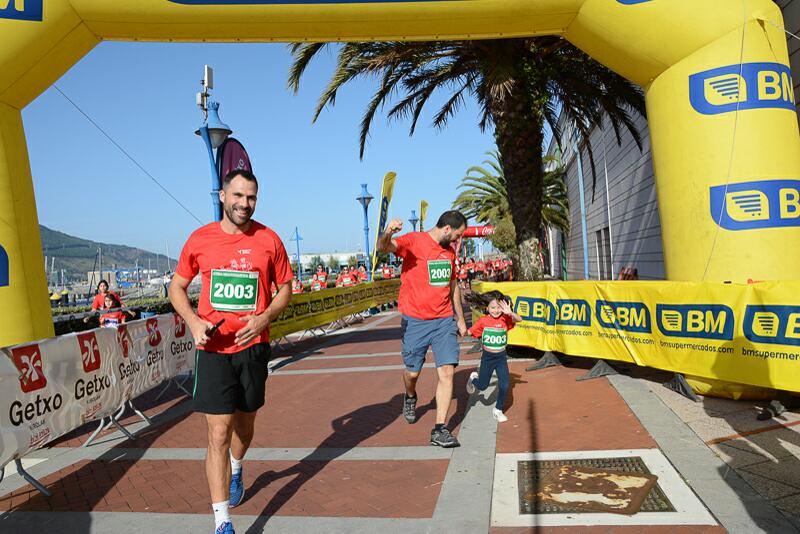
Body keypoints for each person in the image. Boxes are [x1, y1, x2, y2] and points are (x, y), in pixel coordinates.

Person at [168, 169, 293, 534]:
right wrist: (193, 322)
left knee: (245, 424)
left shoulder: (269, 240)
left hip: (253, 348)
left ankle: (237, 467)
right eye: (237, 196)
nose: (244, 204)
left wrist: (265, 316)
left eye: (251, 197)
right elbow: (177, 287)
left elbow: (285, 287)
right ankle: (222, 519)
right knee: (217, 433)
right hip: (213, 349)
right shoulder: (200, 239)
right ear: (222, 196)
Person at [377, 210, 468, 447]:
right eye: (457, 235)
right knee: (412, 373)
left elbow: (453, 285)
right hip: (415, 321)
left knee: (447, 372)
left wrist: (460, 318)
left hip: (443, 320)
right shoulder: (414, 241)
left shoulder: (449, 253)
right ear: (447, 229)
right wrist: (387, 232)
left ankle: (440, 429)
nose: (457, 240)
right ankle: (410, 395)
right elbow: (383, 248)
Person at [465, 290, 522, 422]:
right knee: (483, 386)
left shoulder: (505, 318)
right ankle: (473, 379)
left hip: (501, 358)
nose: (496, 311)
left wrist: (510, 312)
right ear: (487, 308)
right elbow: (468, 332)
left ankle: (498, 410)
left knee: (504, 385)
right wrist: (460, 329)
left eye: (498, 308)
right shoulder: (483, 321)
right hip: (487, 359)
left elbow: (520, 319)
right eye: (492, 308)